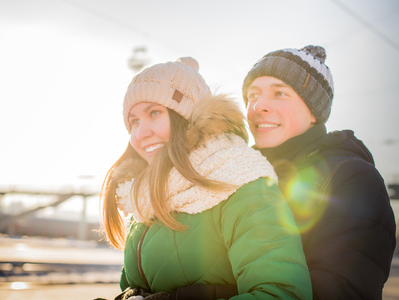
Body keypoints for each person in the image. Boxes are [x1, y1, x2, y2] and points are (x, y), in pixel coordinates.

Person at [98, 57, 312, 299]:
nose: (140, 133)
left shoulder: (240, 179)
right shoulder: (143, 195)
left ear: (188, 117)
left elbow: (283, 293)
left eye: (154, 113)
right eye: (134, 121)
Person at [242, 45, 396, 299]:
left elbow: (337, 288)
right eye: (252, 95)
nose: (259, 106)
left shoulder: (352, 178)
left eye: (280, 93)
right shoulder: (240, 176)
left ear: (314, 111)